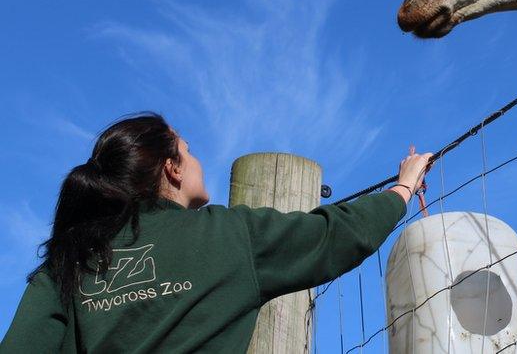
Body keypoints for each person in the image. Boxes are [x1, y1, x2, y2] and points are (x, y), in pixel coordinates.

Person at [0, 112, 431, 352]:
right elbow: (339, 234)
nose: (196, 160)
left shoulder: (66, 265)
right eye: (189, 151)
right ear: (171, 168)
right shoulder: (230, 235)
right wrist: (403, 187)